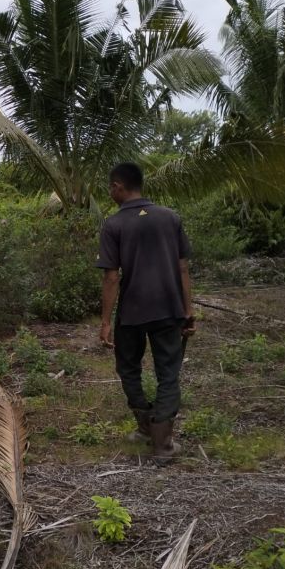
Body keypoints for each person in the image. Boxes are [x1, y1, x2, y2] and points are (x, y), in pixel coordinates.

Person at [96, 163, 196, 466]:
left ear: (118, 187)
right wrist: (188, 310)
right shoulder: (170, 217)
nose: (110, 192)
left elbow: (111, 277)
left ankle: (146, 428)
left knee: (128, 368)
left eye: (110, 187)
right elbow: (182, 268)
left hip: (132, 311)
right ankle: (162, 442)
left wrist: (105, 322)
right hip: (169, 308)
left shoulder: (114, 224)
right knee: (168, 373)